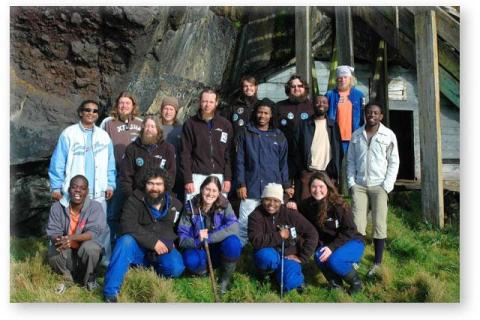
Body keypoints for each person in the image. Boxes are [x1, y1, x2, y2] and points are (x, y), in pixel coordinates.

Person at [49, 99, 116, 263]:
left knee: (102, 227)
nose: (91, 113)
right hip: (75, 193)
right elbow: (58, 162)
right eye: (87, 110)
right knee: (68, 225)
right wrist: (56, 187)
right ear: (80, 112)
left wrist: (110, 184)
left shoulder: (103, 136)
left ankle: (103, 261)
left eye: (95, 111)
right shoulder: (69, 133)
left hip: (98, 191)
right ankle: (62, 258)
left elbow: (110, 162)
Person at [103, 168, 185, 302]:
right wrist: (153, 242)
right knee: (125, 241)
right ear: (144, 184)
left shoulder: (175, 204)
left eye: (159, 184)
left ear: (165, 186)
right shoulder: (134, 200)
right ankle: (110, 293)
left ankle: (151, 272)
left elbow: (179, 230)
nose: (154, 188)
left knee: (176, 268)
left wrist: (172, 243)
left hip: (163, 248)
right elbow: (126, 225)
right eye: (150, 183)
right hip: (138, 249)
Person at [347, 103, 399, 277]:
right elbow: (351, 161)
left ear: (381, 116)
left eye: (376, 113)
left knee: (379, 223)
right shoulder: (356, 135)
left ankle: (377, 262)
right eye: (369, 112)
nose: (372, 115)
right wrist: (351, 183)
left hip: (379, 185)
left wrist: (387, 186)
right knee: (357, 224)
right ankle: (355, 259)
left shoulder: (388, 135)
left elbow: (394, 161)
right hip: (359, 185)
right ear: (364, 114)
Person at [235, 98, 292, 246]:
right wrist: (241, 184)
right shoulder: (246, 133)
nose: (262, 116)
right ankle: (242, 253)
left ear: (271, 115)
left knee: (270, 221)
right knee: (245, 221)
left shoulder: (278, 136)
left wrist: (286, 185)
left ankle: (267, 248)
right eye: (260, 112)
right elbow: (239, 161)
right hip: (250, 185)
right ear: (255, 113)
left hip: (272, 186)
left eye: (266, 113)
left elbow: (283, 163)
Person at [296, 172, 365, 295]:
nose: (317, 190)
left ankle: (357, 283)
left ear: (327, 186)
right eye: (313, 187)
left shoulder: (339, 204)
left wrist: (331, 248)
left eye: (321, 186)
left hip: (352, 241)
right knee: (319, 256)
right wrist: (292, 204)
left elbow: (349, 230)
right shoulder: (308, 205)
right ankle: (336, 285)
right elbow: (297, 213)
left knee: (334, 260)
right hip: (330, 244)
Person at [247, 183, 318, 293]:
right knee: (266, 257)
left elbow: (312, 233)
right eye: (267, 200)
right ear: (262, 199)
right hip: (269, 253)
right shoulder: (255, 216)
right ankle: (266, 276)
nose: (271, 204)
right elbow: (256, 241)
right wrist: (278, 236)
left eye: (276, 200)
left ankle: (290, 277)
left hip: (288, 256)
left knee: (290, 284)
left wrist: (302, 257)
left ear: (281, 202)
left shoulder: (290, 213)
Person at [177, 175, 242, 295]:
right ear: (201, 189)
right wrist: (198, 240)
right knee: (190, 259)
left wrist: (210, 237)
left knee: (233, 243)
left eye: (214, 190)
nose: (210, 193)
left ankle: (225, 279)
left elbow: (234, 227)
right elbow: (182, 238)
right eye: (207, 189)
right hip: (199, 248)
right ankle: (203, 273)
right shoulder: (190, 207)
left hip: (218, 248)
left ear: (218, 193)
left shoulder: (224, 205)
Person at [46, 175, 108, 294]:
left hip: (85, 255)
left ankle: (89, 281)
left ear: (87, 191)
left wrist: (71, 237)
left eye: (82, 188)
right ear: (69, 190)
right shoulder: (57, 207)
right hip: (67, 254)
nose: (78, 190)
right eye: (74, 187)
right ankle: (66, 279)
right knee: (54, 249)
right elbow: (53, 232)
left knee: (91, 247)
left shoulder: (95, 207)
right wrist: (60, 239)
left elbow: (93, 233)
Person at [100, 91, 143, 243]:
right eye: (121, 103)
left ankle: (128, 246)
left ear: (133, 106)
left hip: (136, 178)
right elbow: (100, 149)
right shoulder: (108, 122)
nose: (124, 106)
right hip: (115, 175)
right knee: (112, 213)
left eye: (127, 103)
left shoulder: (140, 123)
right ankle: (108, 247)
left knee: (133, 213)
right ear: (117, 105)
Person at [181, 88, 233, 200]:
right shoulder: (190, 124)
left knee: (218, 211)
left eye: (211, 102)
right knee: (194, 212)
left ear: (216, 103)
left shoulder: (225, 125)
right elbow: (185, 154)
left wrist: (227, 178)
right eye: (204, 101)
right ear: (200, 102)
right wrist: (188, 179)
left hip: (219, 176)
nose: (207, 105)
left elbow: (228, 154)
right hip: (196, 176)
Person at [293, 95, 343, 201]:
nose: (321, 104)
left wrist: (335, 170)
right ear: (312, 105)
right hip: (308, 171)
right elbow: (296, 149)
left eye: (324, 102)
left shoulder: (333, 125)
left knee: (330, 204)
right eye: (318, 102)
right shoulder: (304, 124)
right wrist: (302, 170)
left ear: (328, 105)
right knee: (306, 204)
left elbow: (339, 149)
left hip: (328, 172)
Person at [275, 74, 314, 198]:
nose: (296, 89)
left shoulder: (312, 107)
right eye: (293, 86)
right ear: (288, 89)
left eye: (299, 86)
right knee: (285, 193)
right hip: (285, 156)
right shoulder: (279, 107)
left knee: (304, 192)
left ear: (305, 88)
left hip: (306, 157)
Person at [120, 115, 176, 197]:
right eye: (146, 126)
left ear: (158, 130)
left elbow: (171, 175)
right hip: (137, 197)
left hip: (160, 196)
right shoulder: (132, 148)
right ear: (142, 129)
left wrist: (163, 195)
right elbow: (126, 177)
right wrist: (131, 197)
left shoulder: (168, 149)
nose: (149, 129)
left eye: (152, 127)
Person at [325, 65, 365, 154]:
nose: (342, 80)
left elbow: (363, 116)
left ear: (350, 79)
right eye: (340, 78)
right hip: (334, 138)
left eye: (345, 77)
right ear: (336, 79)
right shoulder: (330, 95)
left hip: (354, 138)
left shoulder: (359, 95)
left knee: (351, 166)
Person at [159, 96, 184, 202]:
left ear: (176, 112)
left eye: (171, 109)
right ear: (161, 110)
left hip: (176, 174)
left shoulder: (182, 129)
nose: (168, 112)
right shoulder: (154, 127)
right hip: (157, 173)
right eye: (165, 108)